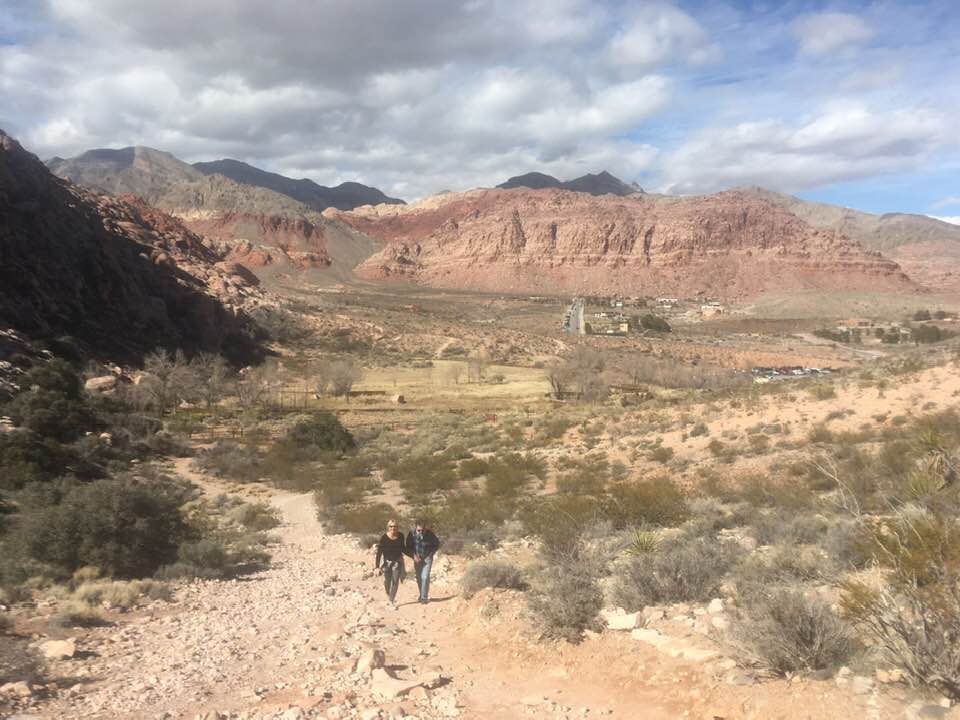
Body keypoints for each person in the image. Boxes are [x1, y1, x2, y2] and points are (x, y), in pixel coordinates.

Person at [406, 519, 441, 604]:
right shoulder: (411, 533)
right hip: (417, 558)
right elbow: (408, 546)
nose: (421, 532)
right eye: (419, 530)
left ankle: (424, 598)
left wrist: (431, 554)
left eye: (423, 530)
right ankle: (421, 594)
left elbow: (437, 544)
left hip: (427, 558)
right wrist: (414, 555)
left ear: (425, 528)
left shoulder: (430, 534)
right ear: (415, 527)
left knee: (425, 577)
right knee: (418, 577)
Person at [375, 519, 406, 608]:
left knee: (395, 581)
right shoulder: (384, 538)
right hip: (387, 563)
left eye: (395, 526)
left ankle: (391, 600)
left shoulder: (401, 536)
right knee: (387, 581)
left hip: (397, 562)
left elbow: (403, 549)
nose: (393, 528)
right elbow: (379, 553)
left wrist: (413, 555)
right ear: (388, 527)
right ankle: (388, 593)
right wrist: (377, 567)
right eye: (391, 526)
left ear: (397, 527)